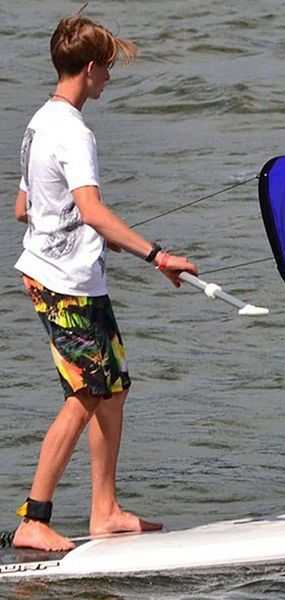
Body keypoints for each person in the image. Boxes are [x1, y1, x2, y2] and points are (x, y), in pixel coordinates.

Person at [11, 12, 198, 552]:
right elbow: (90, 208)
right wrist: (157, 255)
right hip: (63, 282)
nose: (108, 80)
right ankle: (34, 518)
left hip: (70, 274)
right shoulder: (73, 130)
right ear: (89, 68)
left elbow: (25, 207)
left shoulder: (39, 122)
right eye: (107, 71)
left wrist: (89, 230)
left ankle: (105, 510)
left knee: (112, 389)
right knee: (86, 392)